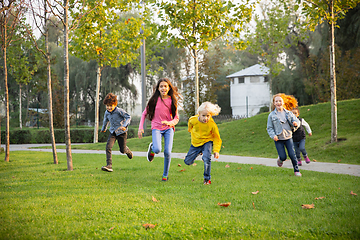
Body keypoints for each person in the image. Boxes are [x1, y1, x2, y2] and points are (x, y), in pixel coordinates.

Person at [138, 78, 181, 181]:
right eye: (161, 86)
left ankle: (165, 175)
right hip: (156, 127)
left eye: (165, 86)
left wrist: (169, 123)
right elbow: (144, 113)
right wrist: (140, 128)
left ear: (169, 88)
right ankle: (152, 148)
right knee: (157, 149)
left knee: (167, 152)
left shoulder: (172, 100)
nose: (163, 88)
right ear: (158, 88)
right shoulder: (154, 100)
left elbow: (176, 118)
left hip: (168, 129)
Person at [184, 102, 222, 185]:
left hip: (207, 142)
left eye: (208, 116)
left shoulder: (212, 125)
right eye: (203, 115)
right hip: (196, 143)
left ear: (211, 115)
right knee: (187, 162)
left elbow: (217, 138)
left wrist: (216, 150)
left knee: (206, 158)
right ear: (199, 114)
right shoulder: (193, 120)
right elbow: (190, 128)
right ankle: (199, 152)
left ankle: (207, 179)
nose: (206, 118)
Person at [267, 93, 302, 176]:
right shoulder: (271, 115)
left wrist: (295, 123)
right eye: (276, 101)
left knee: (292, 155)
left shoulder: (288, 113)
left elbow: (297, 121)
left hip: (288, 137)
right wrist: (273, 136)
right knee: (283, 157)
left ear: (283, 102)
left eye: (280, 101)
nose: (278, 103)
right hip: (278, 138)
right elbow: (269, 128)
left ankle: (296, 170)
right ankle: (280, 159)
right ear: (274, 103)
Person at [101, 93, 133, 172]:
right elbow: (105, 121)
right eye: (107, 106)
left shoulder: (119, 111)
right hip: (113, 132)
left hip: (122, 132)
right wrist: (103, 128)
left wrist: (125, 125)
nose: (109, 107)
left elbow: (128, 117)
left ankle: (127, 150)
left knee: (122, 150)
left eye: (111, 105)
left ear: (115, 104)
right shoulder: (106, 113)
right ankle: (109, 165)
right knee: (108, 147)